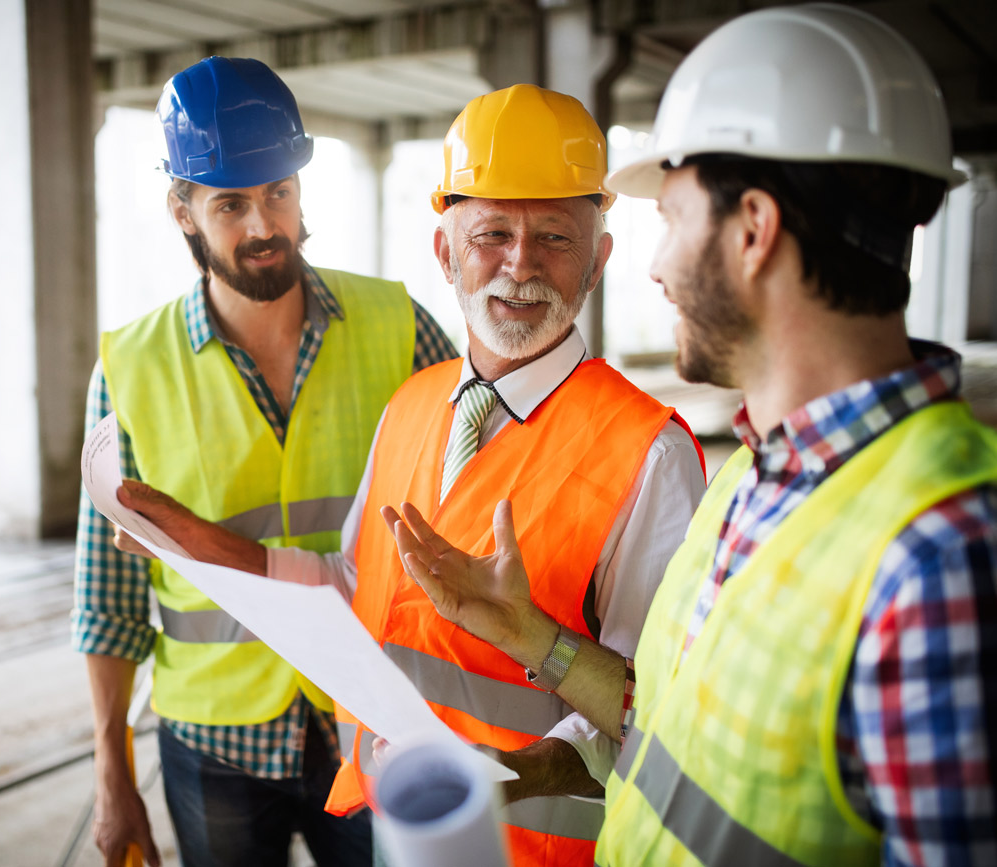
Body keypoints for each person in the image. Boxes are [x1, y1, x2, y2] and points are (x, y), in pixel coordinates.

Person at [386, 5, 997, 866]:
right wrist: (533, 636)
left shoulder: (939, 553)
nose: (652, 265)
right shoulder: (753, 474)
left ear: (753, 230)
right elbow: (665, 721)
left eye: (670, 218)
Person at [113, 83, 707, 866]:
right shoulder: (414, 406)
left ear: (598, 259)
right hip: (397, 829)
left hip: (532, 848)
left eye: (555, 238)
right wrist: (207, 548)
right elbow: (353, 581)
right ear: (445, 251)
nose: (519, 264)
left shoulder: (648, 452)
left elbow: (653, 706)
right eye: (491, 232)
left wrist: (508, 775)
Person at [72, 56, 457, 867]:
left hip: (373, 716)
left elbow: (471, 501)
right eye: (231, 203)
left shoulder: (400, 327)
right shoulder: (131, 367)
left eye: (278, 192)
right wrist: (114, 775)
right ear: (182, 209)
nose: (262, 225)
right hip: (215, 744)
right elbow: (106, 604)